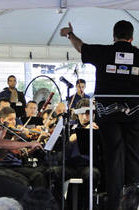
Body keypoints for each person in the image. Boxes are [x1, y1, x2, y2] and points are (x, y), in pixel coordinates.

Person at [60, 20, 139, 210]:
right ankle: (133, 202)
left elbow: (81, 47)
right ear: (131, 37)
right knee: (134, 156)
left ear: (114, 36)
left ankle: (114, 203)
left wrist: (70, 34)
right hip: (135, 114)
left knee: (113, 158)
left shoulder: (104, 52)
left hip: (108, 114)